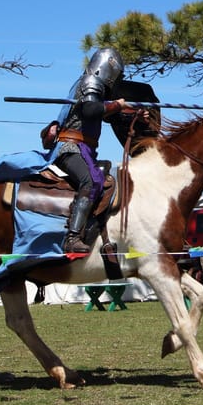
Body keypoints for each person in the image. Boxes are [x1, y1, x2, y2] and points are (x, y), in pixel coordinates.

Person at [54, 47, 152, 253]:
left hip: (85, 150)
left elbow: (106, 114)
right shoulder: (90, 82)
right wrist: (117, 104)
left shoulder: (92, 86)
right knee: (90, 181)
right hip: (71, 148)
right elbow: (91, 110)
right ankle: (72, 237)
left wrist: (134, 115)